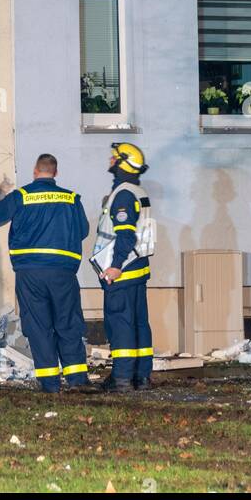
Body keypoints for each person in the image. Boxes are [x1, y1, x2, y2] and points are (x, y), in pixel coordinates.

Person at [0, 153, 90, 393]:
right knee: (68, 322)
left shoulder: (21, 196)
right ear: (56, 172)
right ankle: (77, 380)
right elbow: (82, 231)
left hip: (30, 272)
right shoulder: (71, 198)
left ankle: (50, 383)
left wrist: (0, 193)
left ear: (35, 171)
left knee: (38, 325)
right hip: (64, 272)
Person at [93, 141, 153, 394]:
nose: (110, 160)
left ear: (122, 163)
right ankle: (140, 377)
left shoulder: (124, 195)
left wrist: (115, 266)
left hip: (123, 271)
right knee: (139, 325)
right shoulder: (136, 191)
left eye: (114, 157)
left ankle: (122, 379)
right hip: (137, 269)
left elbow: (125, 235)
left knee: (121, 325)